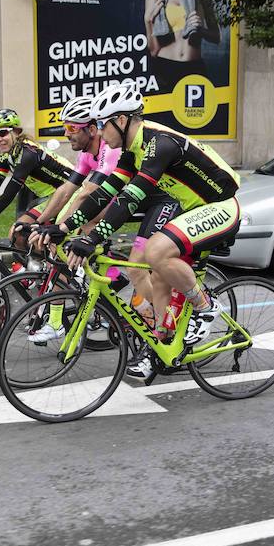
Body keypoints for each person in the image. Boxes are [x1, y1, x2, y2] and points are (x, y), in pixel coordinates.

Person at [53, 82, 240, 381]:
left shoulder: (159, 144)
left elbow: (131, 198)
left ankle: (205, 306)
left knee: (154, 252)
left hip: (221, 206)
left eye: (103, 124)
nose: (99, 132)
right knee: (158, 278)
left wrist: (93, 237)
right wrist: (62, 227)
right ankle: (161, 350)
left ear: (122, 120)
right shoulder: (131, 149)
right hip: (191, 210)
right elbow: (106, 193)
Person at [31, 96, 182, 354]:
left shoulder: (110, 150)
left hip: (157, 201)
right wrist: (43, 222)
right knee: (86, 229)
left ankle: (157, 320)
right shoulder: (89, 154)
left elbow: (87, 193)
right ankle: (113, 277)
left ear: (91, 128)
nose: (67, 134)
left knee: (118, 251)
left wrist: (63, 227)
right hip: (131, 199)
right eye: (64, 128)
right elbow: (68, 188)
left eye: (71, 128)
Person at [0, 109, 84, 253]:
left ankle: (60, 272)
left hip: (72, 193)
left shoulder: (28, 154)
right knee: (17, 234)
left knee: (54, 246)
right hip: (54, 197)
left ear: (16, 131)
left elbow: (8, 196)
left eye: (2, 133)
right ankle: (39, 273)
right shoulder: (7, 156)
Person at [143, 0, 221, 93]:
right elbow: (153, 51)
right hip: (164, 68)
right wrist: (147, 20)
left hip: (194, 68)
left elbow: (216, 37)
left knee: (199, 108)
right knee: (164, 109)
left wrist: (201, 30)